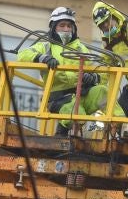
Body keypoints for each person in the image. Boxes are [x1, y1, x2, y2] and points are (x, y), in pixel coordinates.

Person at [18, 7, 120, 136]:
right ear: (53, 27)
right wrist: (43, 58)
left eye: (69, 26)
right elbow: (22, 55)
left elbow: (97, 71)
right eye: (62, 25)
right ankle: (62, 130)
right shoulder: (45, 46)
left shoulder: (81, 48)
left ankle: (121, 125)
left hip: (81, 95)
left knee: (103, 91)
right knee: (78, 115)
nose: (66, 29)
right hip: (59, 99)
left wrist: (93, 78)